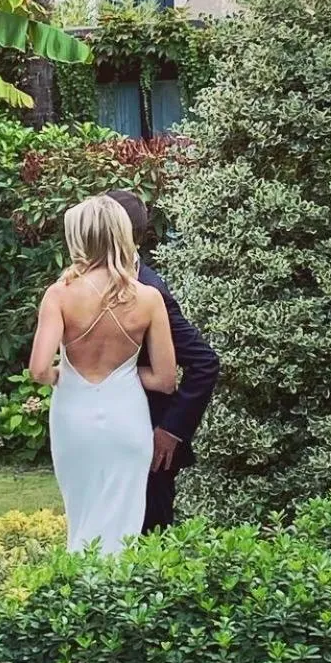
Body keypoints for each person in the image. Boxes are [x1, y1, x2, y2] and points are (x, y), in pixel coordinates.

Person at [29, 195, 177, 555]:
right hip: (127, 417)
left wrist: (60, 375)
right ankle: (117, 600)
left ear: (80, 238)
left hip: (74, 416)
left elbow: (37, 370)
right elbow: (165, 380)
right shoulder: (148, 298)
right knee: (125, 525)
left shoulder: (59, 295)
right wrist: (125, 376)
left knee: (82, 519)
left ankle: (81, 597)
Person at [106, 189, 220, 532]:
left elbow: (204, 363)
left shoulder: (149, 289)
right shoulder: (97, 284)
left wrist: (171, 430)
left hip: (149, 440)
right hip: (110, 431)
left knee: (147, 537)